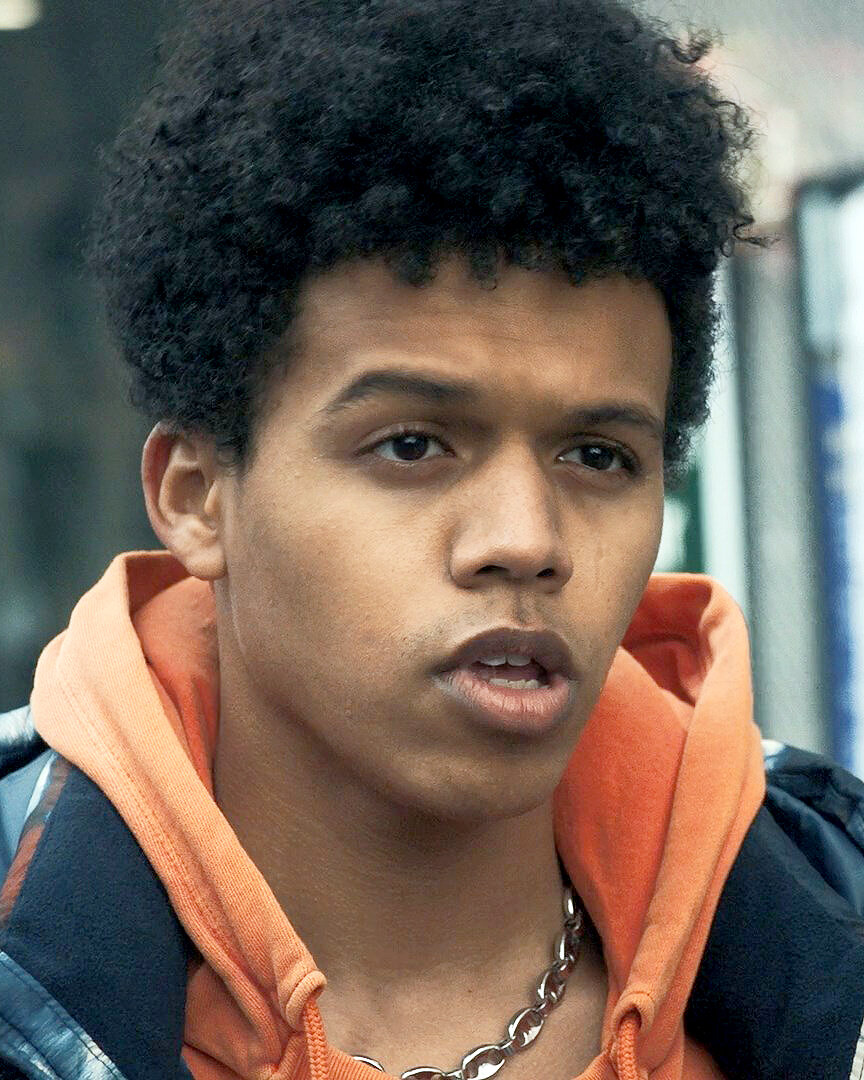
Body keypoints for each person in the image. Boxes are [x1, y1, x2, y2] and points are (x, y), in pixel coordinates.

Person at [1, 1, 863, 1078]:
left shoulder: (830, 922)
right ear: (196, 496)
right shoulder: (30, 964)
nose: (526, 541)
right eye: (412, 445)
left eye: (598, 456)